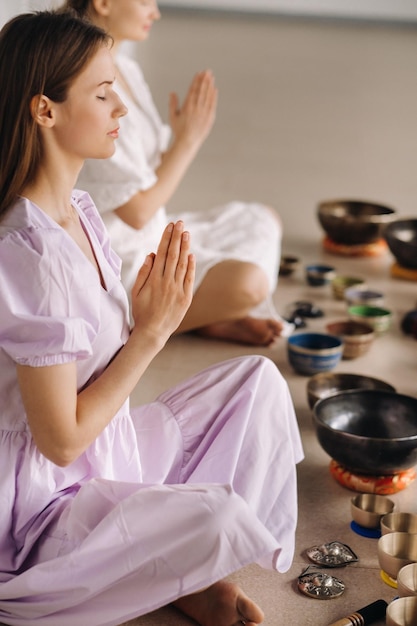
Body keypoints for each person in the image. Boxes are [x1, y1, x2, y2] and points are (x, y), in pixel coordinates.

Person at [0, 9, 303, 626]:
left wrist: (148, 316)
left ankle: (171, 567)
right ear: (44, 110)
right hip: (39, 509)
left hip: (107, 458)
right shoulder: (28, 254)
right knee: (213, 516)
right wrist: (153, 332)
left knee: (256, 383)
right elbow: (60, 443)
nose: (122, 111)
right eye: (104, 94)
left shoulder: (80, 210)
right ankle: (171, 569)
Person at [62, 0, 292, 347]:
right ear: (104, 3)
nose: (155, 12)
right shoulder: (87, 83)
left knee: (263, 219)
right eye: (144, 1)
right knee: (250, 283)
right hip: (121, 258)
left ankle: (199, 313)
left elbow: (151, 177)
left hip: (155, 231)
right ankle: (176, 317)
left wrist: (184, 138)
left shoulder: (125, 69)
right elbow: (137, 211)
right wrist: (188, 140)